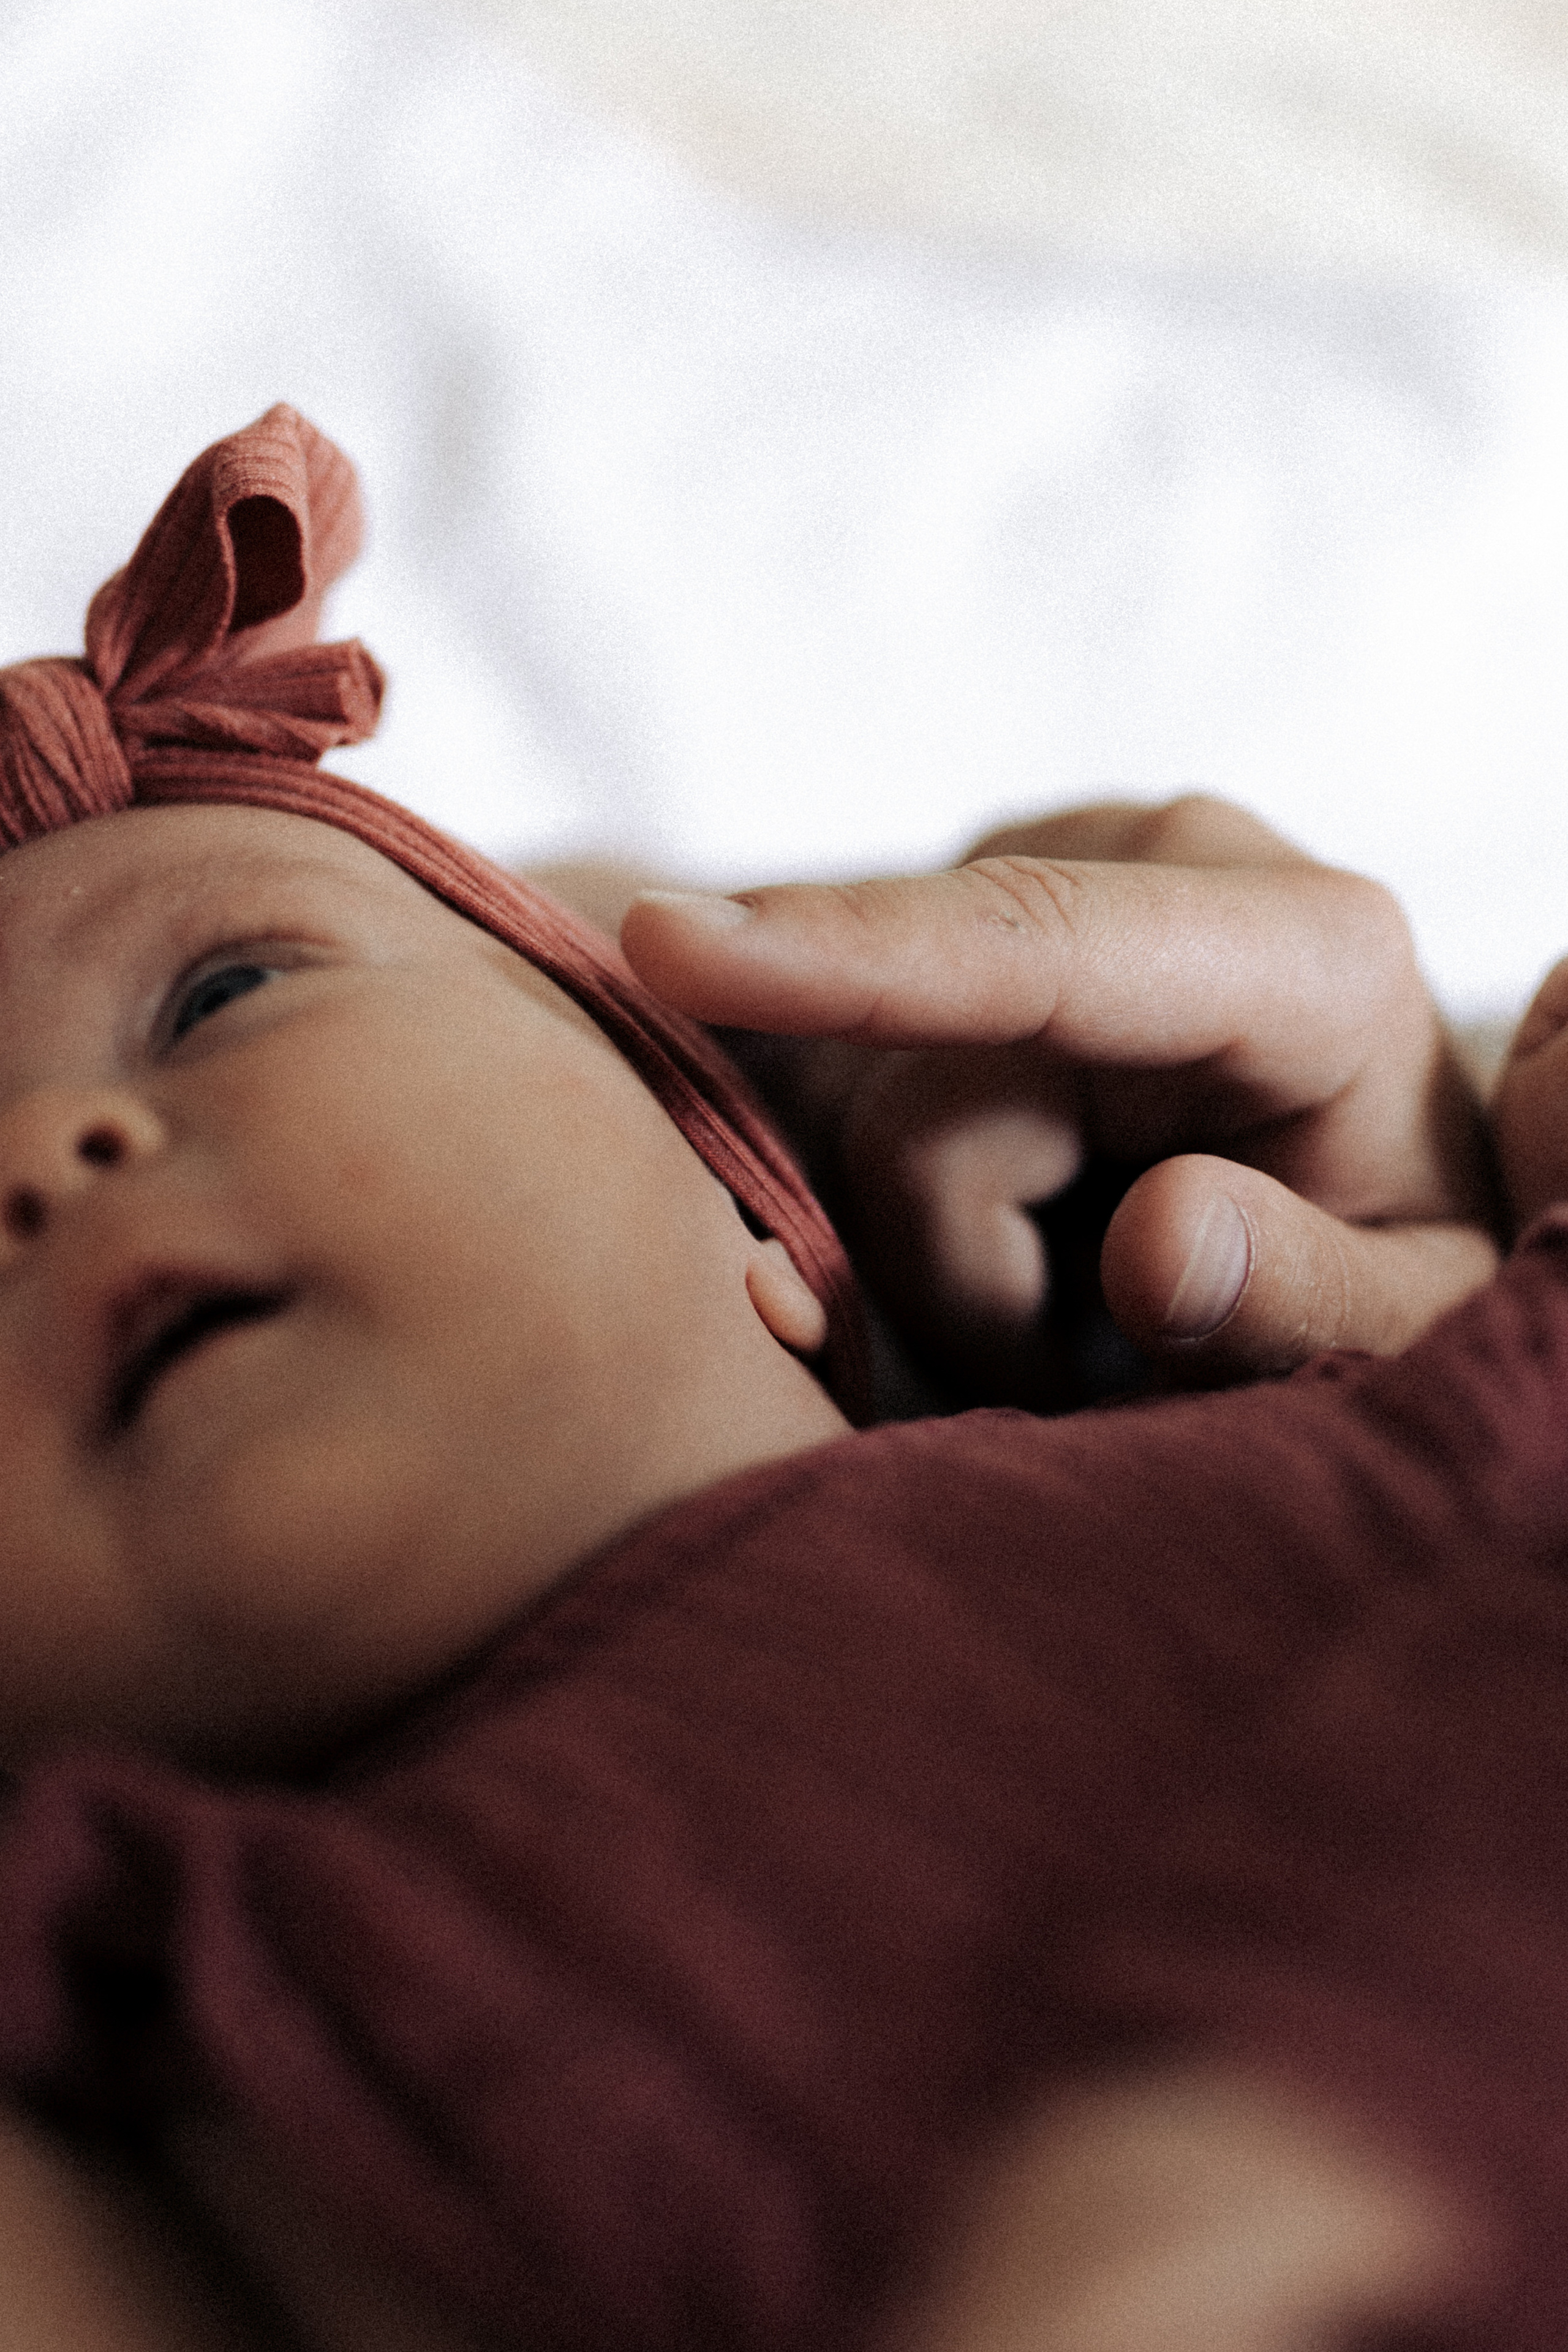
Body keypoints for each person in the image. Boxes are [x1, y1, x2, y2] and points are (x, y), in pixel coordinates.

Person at [0, 406, 1557, 2352]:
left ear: (753, 1191)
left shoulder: (1342, 1411)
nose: (43, 1151)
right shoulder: (125, 1997)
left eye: (225, 991)